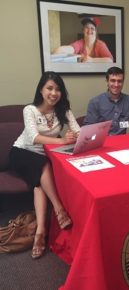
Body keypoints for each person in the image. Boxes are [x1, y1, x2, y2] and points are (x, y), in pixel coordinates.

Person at [8, 71, 80, 259]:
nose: (54, 93)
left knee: (38, 183)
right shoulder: (29, 110)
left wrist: (77, 137)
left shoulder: (63, 110)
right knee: (43, 167)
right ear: (41, 90)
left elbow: (78, 131)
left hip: (45, 155)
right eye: (49, 88)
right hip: (21, 153)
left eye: (58, 89)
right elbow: (34, 137)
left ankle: (40, 231)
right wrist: (63, 141)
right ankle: (58, 208)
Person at [83, 66, 129, 135]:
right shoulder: (95, 102)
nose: (116, 85)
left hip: (123, 142)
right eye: (113, 80)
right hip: (103, 142)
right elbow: (88, 129)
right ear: (107, 81)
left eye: (119, 81)